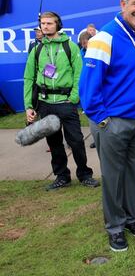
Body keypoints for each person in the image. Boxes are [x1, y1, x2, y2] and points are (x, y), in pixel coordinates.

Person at [79, 0, 135, 252]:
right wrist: (102, 121)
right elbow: (88, 87)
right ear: (123, 5)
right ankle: (115, 226)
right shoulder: (104, 37)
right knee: (113, 177)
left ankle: (131, 218)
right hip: (112, 122)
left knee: (134, 174)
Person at [23, 11, 98, 191]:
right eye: (43, 23)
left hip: (66, 103)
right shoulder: (36, 49)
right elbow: (28, 78)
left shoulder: (70, 47)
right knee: (54, 143)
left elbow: (79, 74)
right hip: (46, 104)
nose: (45, 26)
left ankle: (85, 174)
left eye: (50, 23)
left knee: (76, 141)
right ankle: (62, 176)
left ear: (58, 25)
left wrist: (73, 98)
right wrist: (29, 106)